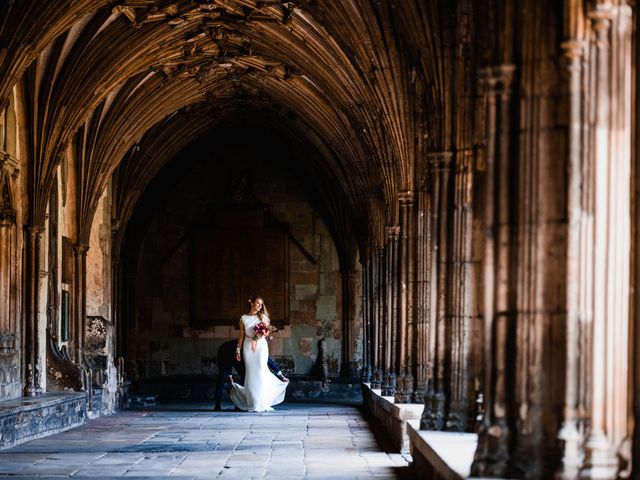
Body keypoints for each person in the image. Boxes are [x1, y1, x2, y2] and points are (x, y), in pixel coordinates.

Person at [229, 295, 288, 412]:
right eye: (257, 303)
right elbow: (241, 335)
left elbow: (267, 332)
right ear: (251, 303)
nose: (259, 306)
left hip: (260, 346)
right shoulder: (243, 318)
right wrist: (238, 349)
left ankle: (262, 401)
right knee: (251, 373)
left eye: (261, 304)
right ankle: (253, 402)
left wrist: (262, 333)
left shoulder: (263, 317)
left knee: (261, 370)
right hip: (247, 347)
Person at [214, 339, 289, 411]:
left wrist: (229, 375)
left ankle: (219, 404)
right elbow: (268, 360)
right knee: (240, 377)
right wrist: (280, 375)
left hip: (227, 349)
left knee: (223, 376)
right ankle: (239, 405)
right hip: (233, 352)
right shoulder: (256, 347)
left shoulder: (252, 344)